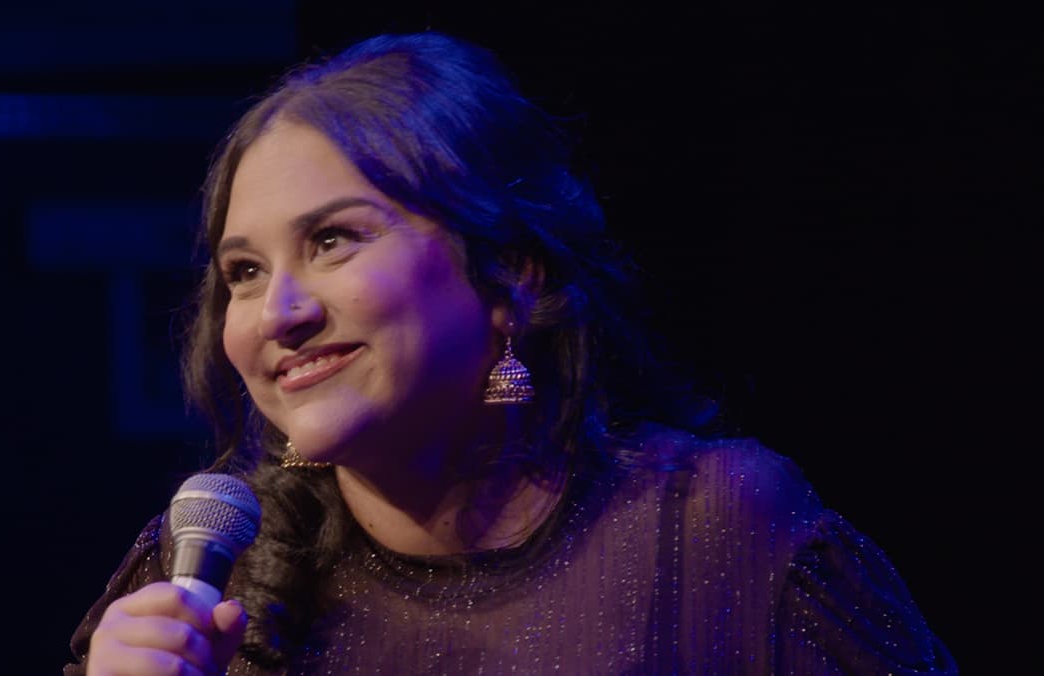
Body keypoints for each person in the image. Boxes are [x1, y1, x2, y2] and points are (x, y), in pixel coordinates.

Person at [68, 32, 954, 675]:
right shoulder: (200, 583)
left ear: (508, 277)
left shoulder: (714, 533)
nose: (279, 312)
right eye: (245, 272)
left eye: (333, 240)